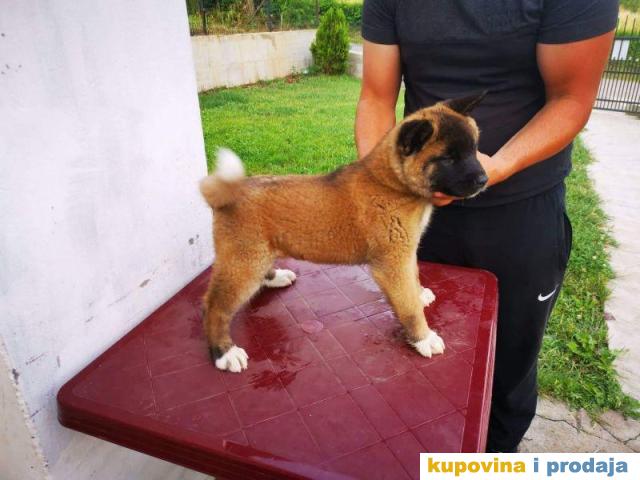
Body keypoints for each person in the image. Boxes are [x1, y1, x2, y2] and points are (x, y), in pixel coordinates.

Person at [355, 0, 618, 452]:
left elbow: (571, 100)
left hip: (520, 217)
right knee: (416, 354)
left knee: (505, 373)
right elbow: (377, 96)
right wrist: (386, 180)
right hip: (419, 214)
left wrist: (491, 169)